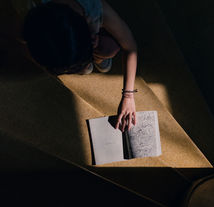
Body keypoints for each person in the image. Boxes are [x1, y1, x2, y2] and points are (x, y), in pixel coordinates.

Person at [22, 0, 137, 132]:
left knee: (109, 48)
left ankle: (96, 58)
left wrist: (128, 96)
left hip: (93, 34)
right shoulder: (33, 17)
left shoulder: (96, 9)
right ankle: (91, 59)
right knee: (91, 63)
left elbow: (131, 47)